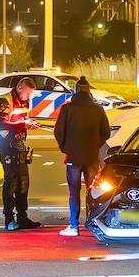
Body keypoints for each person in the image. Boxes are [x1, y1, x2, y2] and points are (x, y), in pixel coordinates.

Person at [54, 77, 111, 237]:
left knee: (74, 191)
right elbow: (105, 132)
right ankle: (94, 223)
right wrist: (95, 146)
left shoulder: (67, 109)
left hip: (72, 157)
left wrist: (65, 147)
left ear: (76, 90)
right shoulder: (98, 109)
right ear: (89, 92)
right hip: (91, 157)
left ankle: (73, 225)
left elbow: (58, 132)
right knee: (93, 191)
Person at [0, 77, 41, 231]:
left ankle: (23, 217)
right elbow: (2, 123)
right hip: (7, 146)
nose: (28, 97)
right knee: (11, 183)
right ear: (20, 88)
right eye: (27, 93)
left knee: (24, 183)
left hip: (20, 146)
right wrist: (23, 124)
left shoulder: (24, 102)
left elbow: (22, 119)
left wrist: (29, 124)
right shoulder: (4, 100)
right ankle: (9, 219)